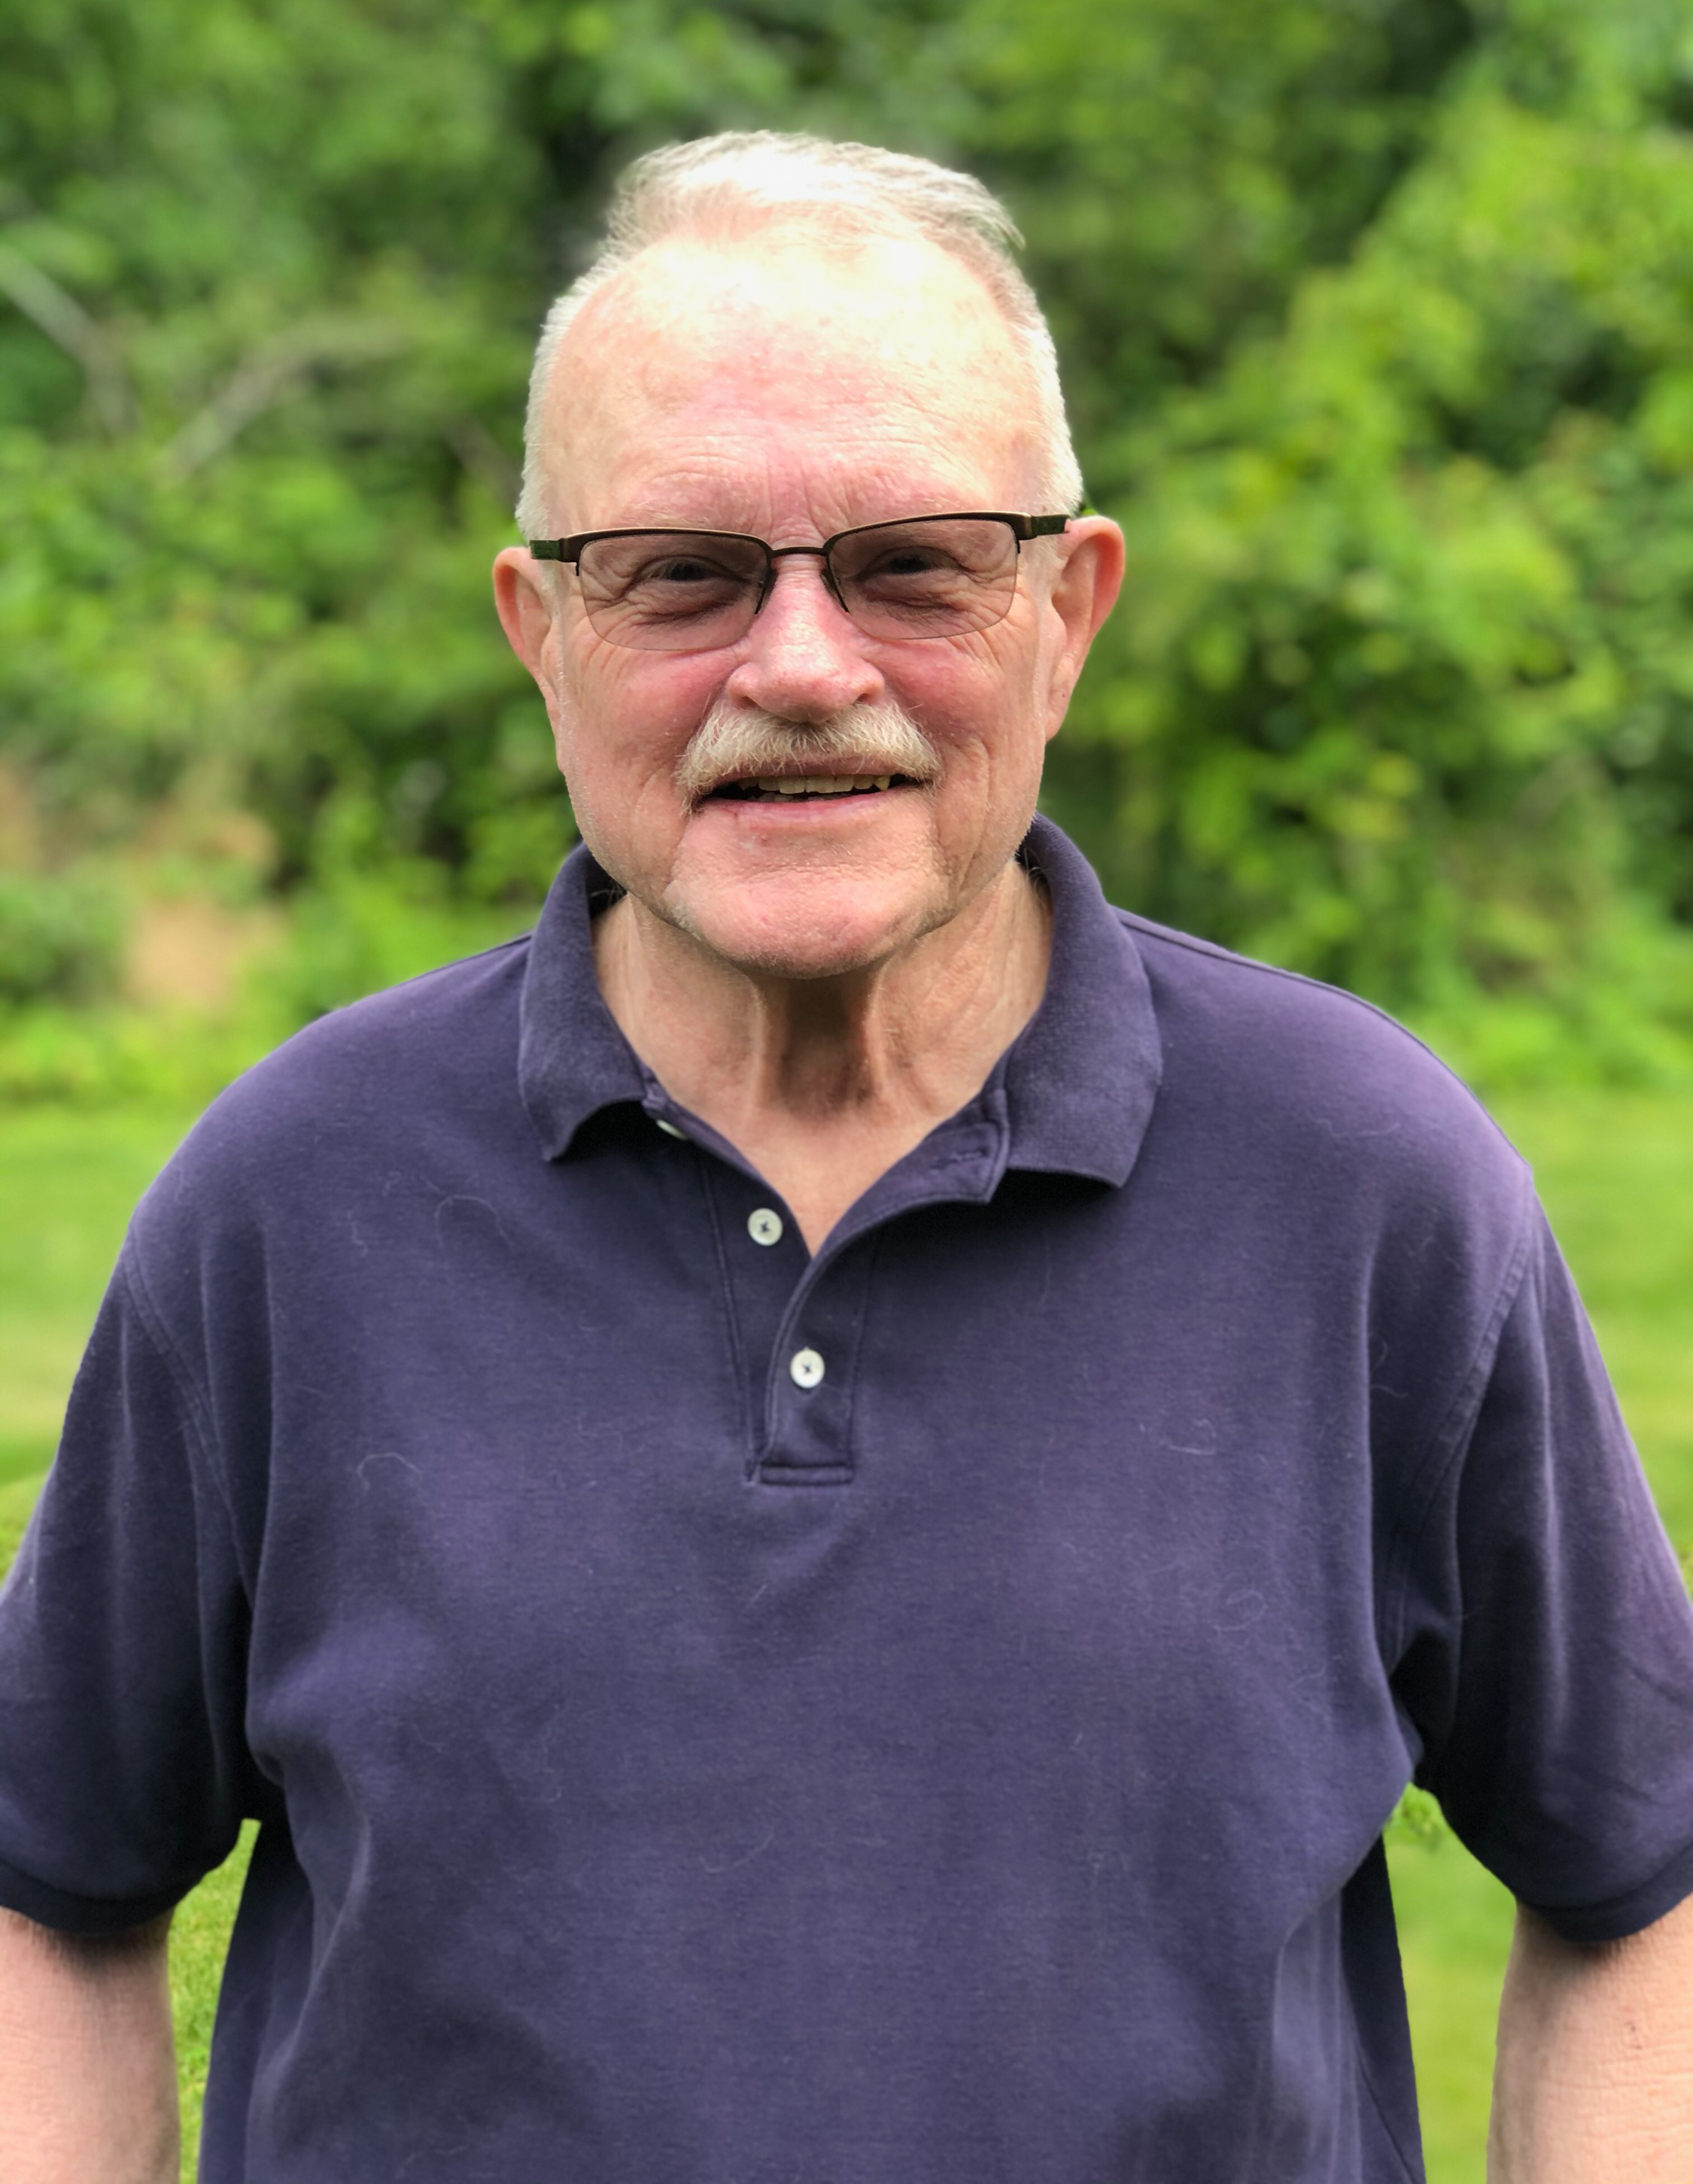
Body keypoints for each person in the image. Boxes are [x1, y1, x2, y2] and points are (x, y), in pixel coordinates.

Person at [2, 132, 1691, 2184]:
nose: (803, 668)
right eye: (683, 575)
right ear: (543, 633)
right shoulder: (289, 1202)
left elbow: (1642, 1884)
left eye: (914, 564)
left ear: (1067, 611)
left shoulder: (1368, 1186)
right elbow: (51, 1890)